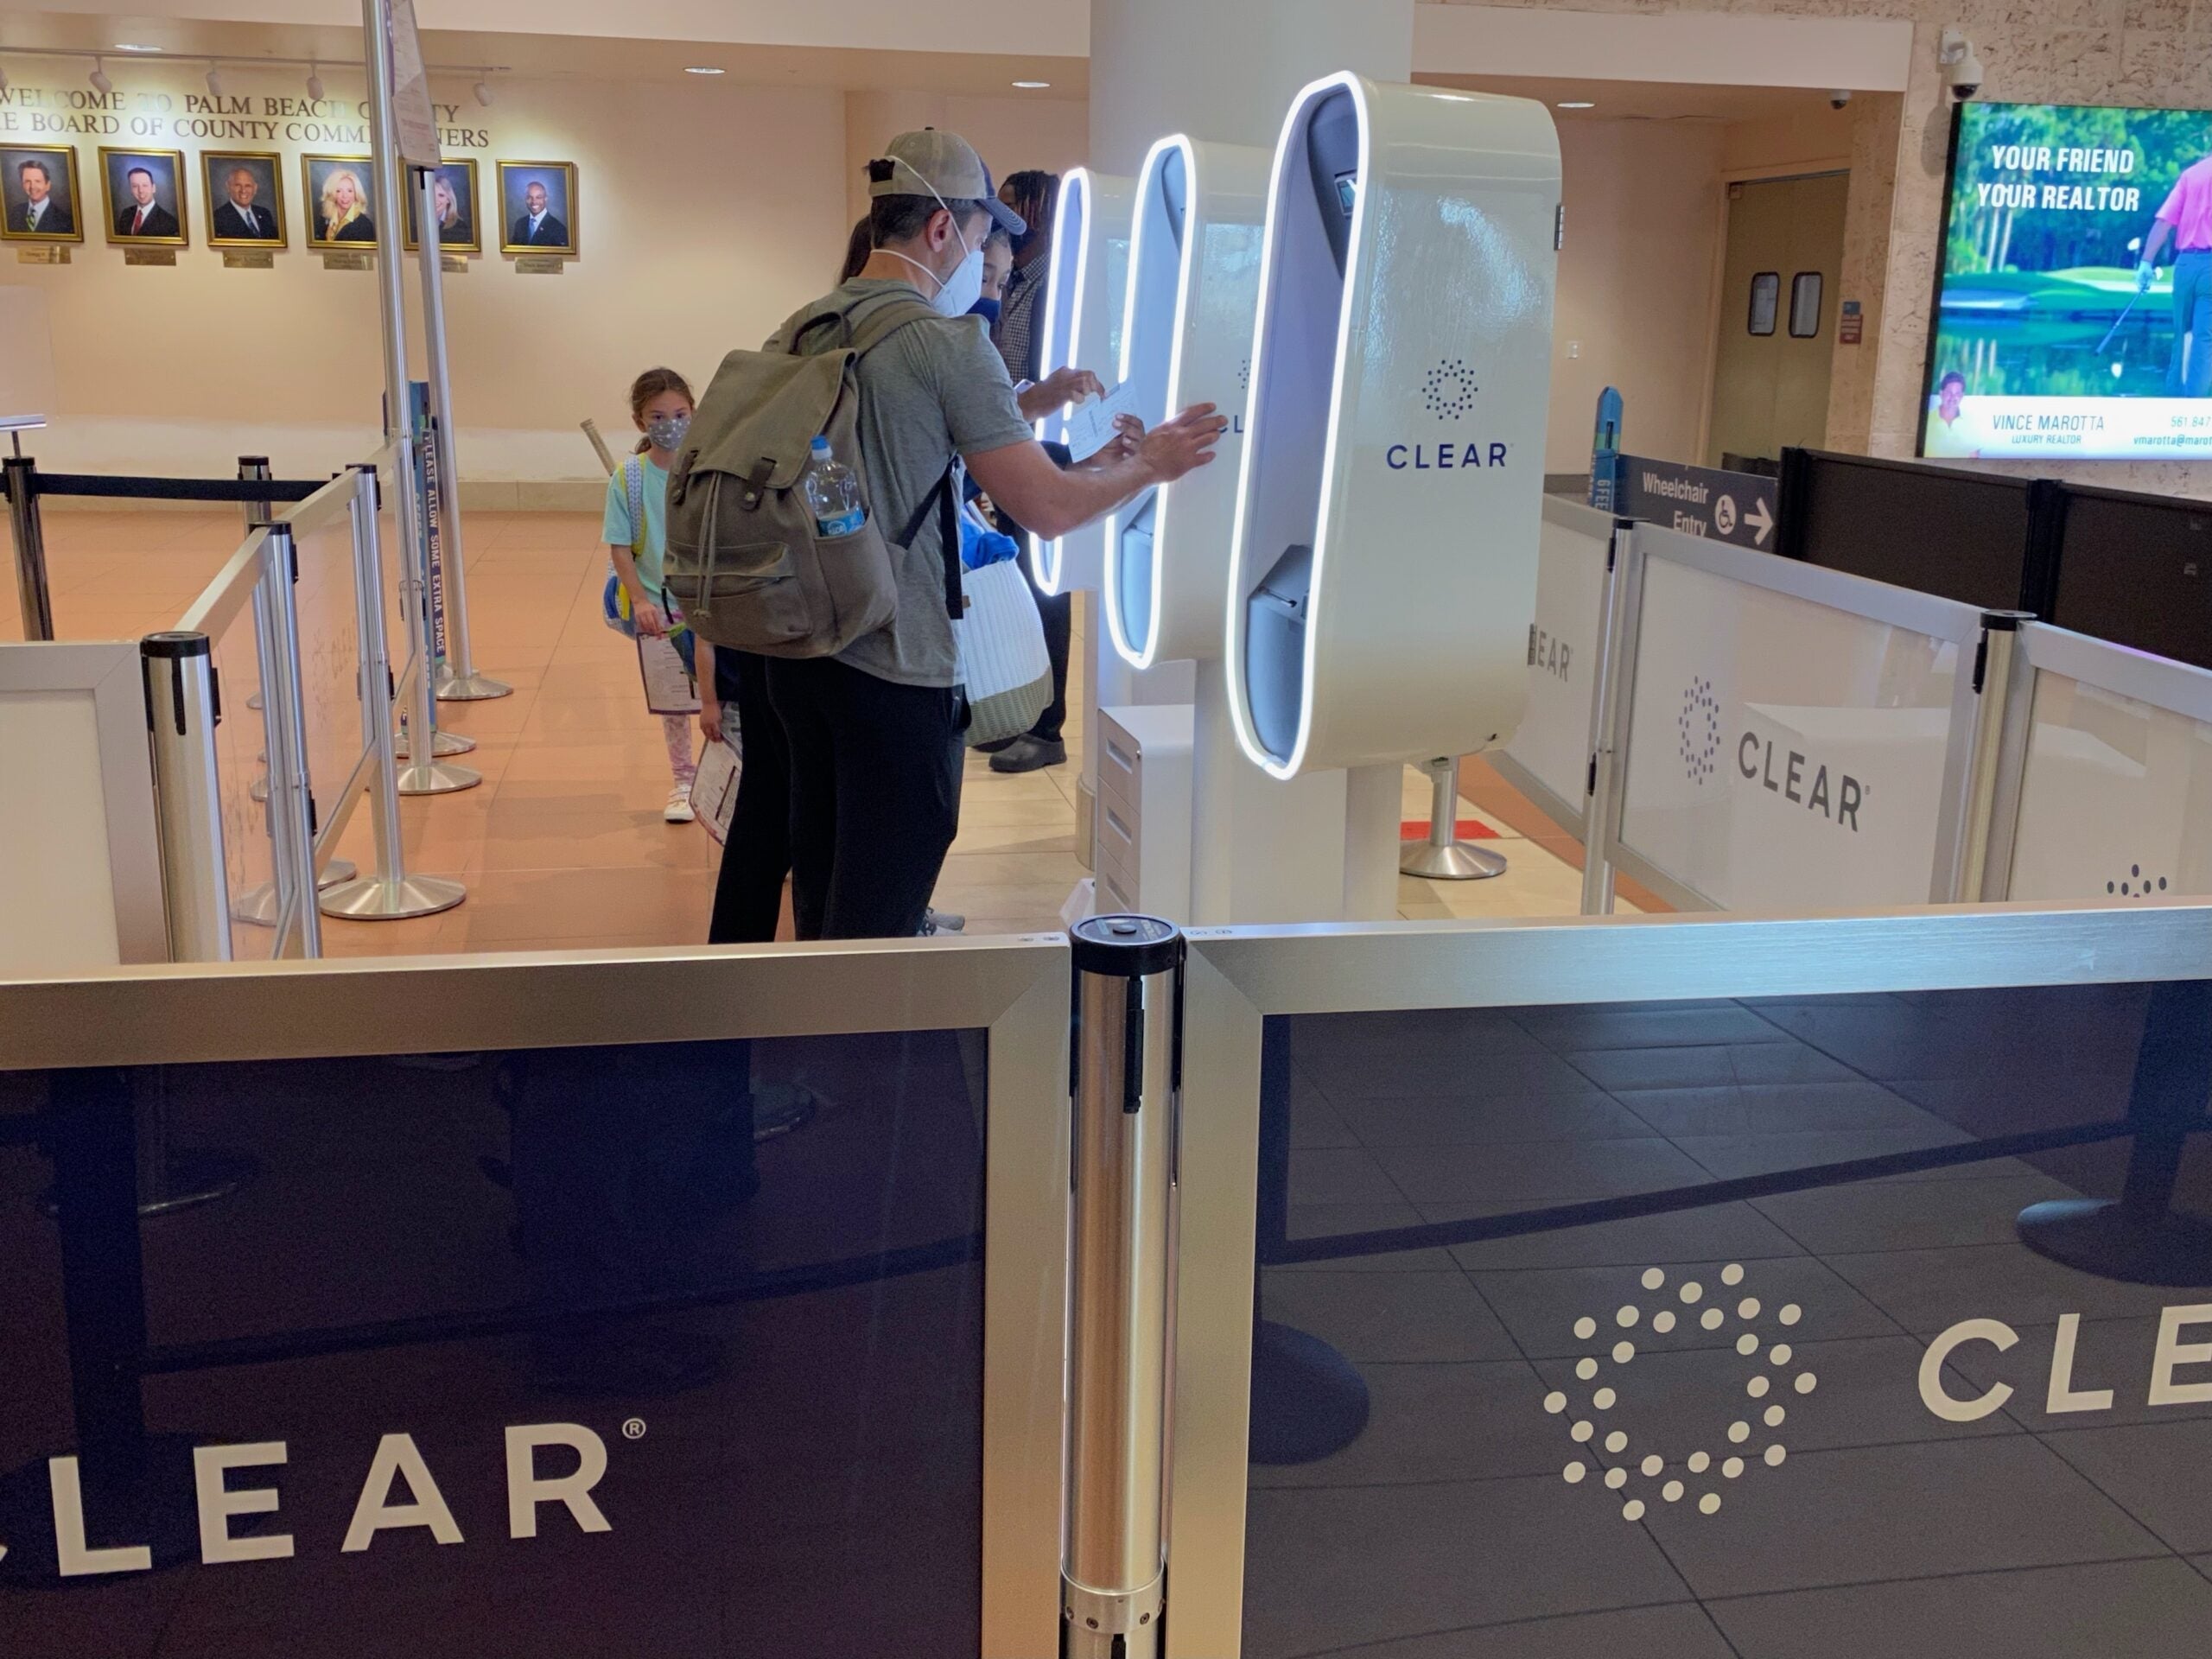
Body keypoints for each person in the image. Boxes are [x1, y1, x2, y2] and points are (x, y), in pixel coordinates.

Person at [755, 129, 1225, 941]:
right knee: (882, 902)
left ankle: (806, 1055)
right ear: (943, 229)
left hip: (799, 653)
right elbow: (1042, 510)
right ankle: (866, 1057)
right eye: (982, 237)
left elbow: (933, 471)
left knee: (828, 872)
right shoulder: (946, 342)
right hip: (893, 662)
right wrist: (1150, 463)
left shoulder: (805, 326)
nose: (985, 258)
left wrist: (1094, 466)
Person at [982, 168, 1077, 775]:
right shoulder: (1010, 281)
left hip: (1048, 450)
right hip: (1009, 442)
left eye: (1015, 207)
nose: (1005, 221)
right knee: (1014, 586)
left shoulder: (1060, 285)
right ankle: (1018, 711)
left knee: (1046, 590)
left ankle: (1048, 727)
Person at [602, 367, 706, 823]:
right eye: (658, 415)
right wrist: (640, 602)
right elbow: (620, 546)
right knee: (675, 701)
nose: (671, 422)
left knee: (724, 696)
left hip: (709, 602)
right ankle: (683, 781)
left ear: (694, 412)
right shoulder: (629, 479)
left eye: (680, 413)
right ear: (640, 421)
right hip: (658, 606)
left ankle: (732, 776)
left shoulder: (707, 467)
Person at [2139, 149, 2212, 397]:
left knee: (2182, 337)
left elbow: (2164, 222)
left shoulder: (2191, 175)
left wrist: (2146, 262)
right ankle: (2193, 414)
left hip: (2185, 266)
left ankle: (2173, 409)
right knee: (2204, 340)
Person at [1923, 370, 1980, 459]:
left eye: (1957, 394)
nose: (1953, 397)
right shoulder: (1927, 420)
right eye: (1949, 393)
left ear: (1962, 396)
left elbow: (1974, 459)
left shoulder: (1971, 423)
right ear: (1941, 394)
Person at [212, 167, 278, 240]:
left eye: (248, 186)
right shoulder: (218, 218)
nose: (243, 190)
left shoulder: (265, 214)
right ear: (228, 187)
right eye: (238, 185)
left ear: (255, 188)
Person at [113, 166, 178, 238]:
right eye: (135, 186)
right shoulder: (126, 214)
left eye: (145, 185)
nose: (140, 191)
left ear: (153, 188)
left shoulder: (168, 222)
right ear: (131, 189)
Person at [11, 158, 71, 236]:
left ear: (48, 185)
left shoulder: (64, 220)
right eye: (27, 181)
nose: (32, 186)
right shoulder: (15, 213)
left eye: (37, 181)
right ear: (22, 185)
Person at [316, 168, 374, 242]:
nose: (345, 196)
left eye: (350, 191)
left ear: (356, 194)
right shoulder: (324, 219)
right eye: (339, 191)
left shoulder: (365, 225)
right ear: (332, 194)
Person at [512, 179, 569, 247]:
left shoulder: (558, 228)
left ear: (546, 199)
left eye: (538, 197)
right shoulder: (520, 224)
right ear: (525, 199)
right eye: (529, 197)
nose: (534, 202)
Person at [430, 171, 471, 243]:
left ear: (448, 199)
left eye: (441, 195)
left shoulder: (459, 226)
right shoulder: (421, 224)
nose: (435, 200)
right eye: (432, 194)